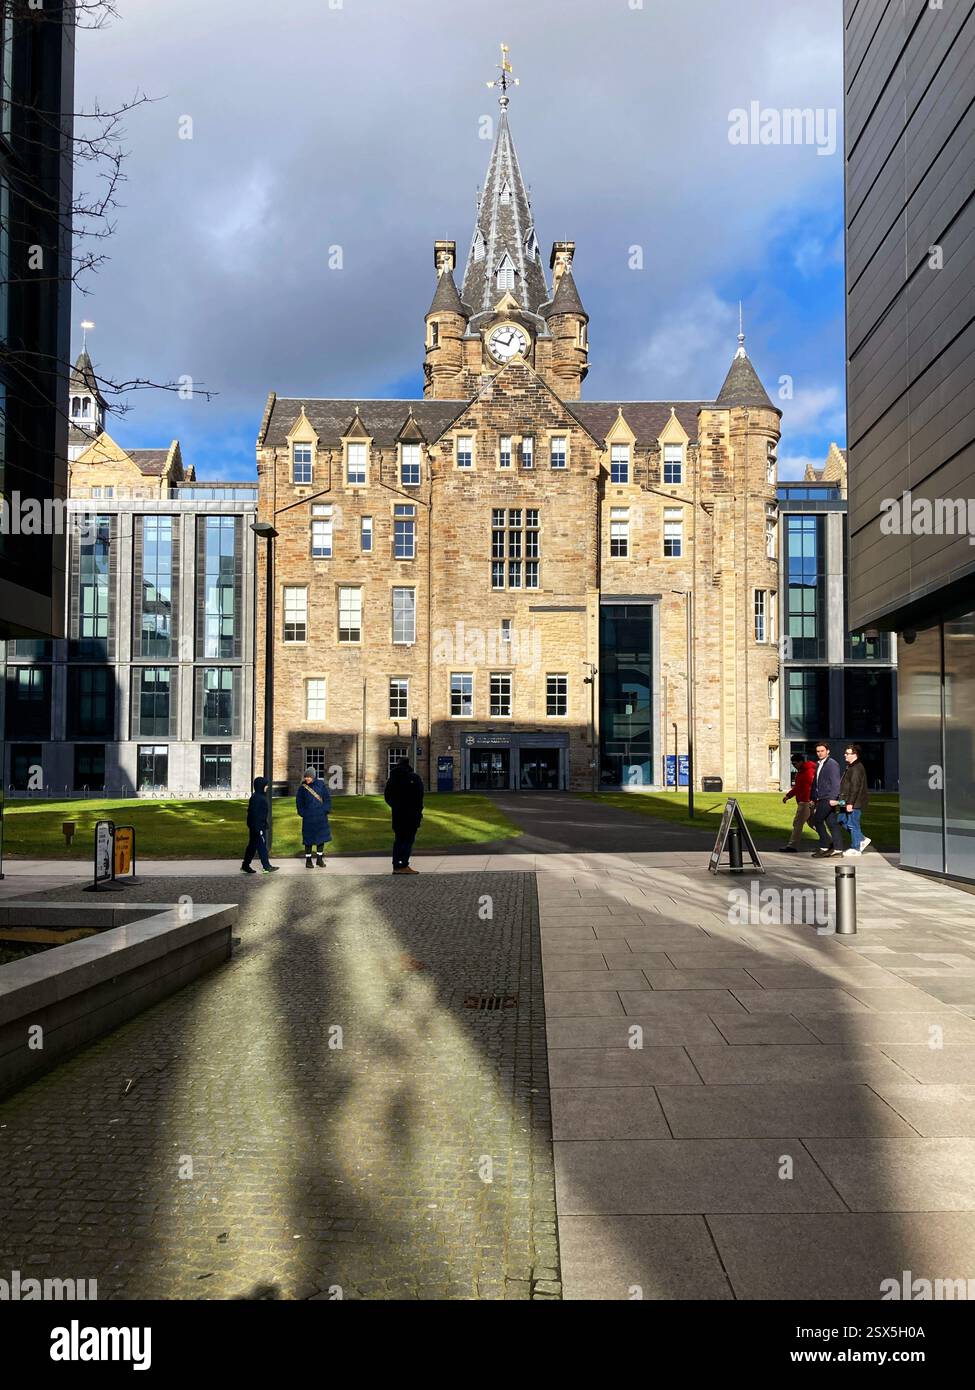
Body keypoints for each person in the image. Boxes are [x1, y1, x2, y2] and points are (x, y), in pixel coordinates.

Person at [384, 757, 424, 875]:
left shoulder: (392, 779)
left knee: (399, 840)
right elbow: (419, 797)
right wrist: (417, 810)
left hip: (398, 814)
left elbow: (387, 797)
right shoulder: (414, 778)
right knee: (408, 840)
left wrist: (396, 806)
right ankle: (403, 865)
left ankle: (397, 865)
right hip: (411, 814)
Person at [832, 744, 872, 857]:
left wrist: (850, 803)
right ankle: (861, 839)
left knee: (853, 824)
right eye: (845, 753)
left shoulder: (856, 768)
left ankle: (856, 848)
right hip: (846, 800)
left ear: (855, 755)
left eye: (847, 753)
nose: (845, 755)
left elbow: (855, 787)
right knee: (841, 820)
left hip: (854, 802)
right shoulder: (851, 766)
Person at [810, 741, 843, 857]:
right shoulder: (819, 764)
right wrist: (813, 797)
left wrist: (834, 798)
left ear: (828, 751)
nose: (819, 753)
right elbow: (816, 782)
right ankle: (838, 849)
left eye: (822, 751)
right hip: (821, 797)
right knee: (832, 823)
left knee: (816, 820)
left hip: (828, 798)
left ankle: (825, 846)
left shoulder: (832, 764)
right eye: (818, 751)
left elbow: (835, 782)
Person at [241, 776, 279, 874]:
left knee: (252, 846)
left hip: (254, 826)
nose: (267, 787)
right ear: (261, 786)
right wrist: (258, 828)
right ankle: (266, 866)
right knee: (262, 847)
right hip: (258, 827)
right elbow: (255, 814)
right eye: (265, 785)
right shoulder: (259, 798)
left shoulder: (256, 797)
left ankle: (245, 865)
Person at [296, 766, 332, 867]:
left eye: (309, 777)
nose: (307, 778)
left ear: (313, 777)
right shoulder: (302, 788)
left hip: (321, 817)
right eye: (306, 777)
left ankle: (319, 859)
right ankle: (308, 860)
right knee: (308, 839)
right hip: (308, 817)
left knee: (321, 838)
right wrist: (302, 813)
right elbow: (299, 802)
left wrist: (325, 810)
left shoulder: (321, 785)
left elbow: (327, 799)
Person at [782, 750, 816, 852]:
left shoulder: (809, 771)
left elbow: (814, 787)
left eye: (795, 763)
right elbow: (797, 787)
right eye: (792, 764)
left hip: (806, 801)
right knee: (814, 824)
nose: (794, 766)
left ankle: (792, 846)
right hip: (804, 801)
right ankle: (830, 842)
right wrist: (788, 795)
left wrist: (813, 799)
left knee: (797, 823)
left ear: (801, 761)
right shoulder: (800, 773)